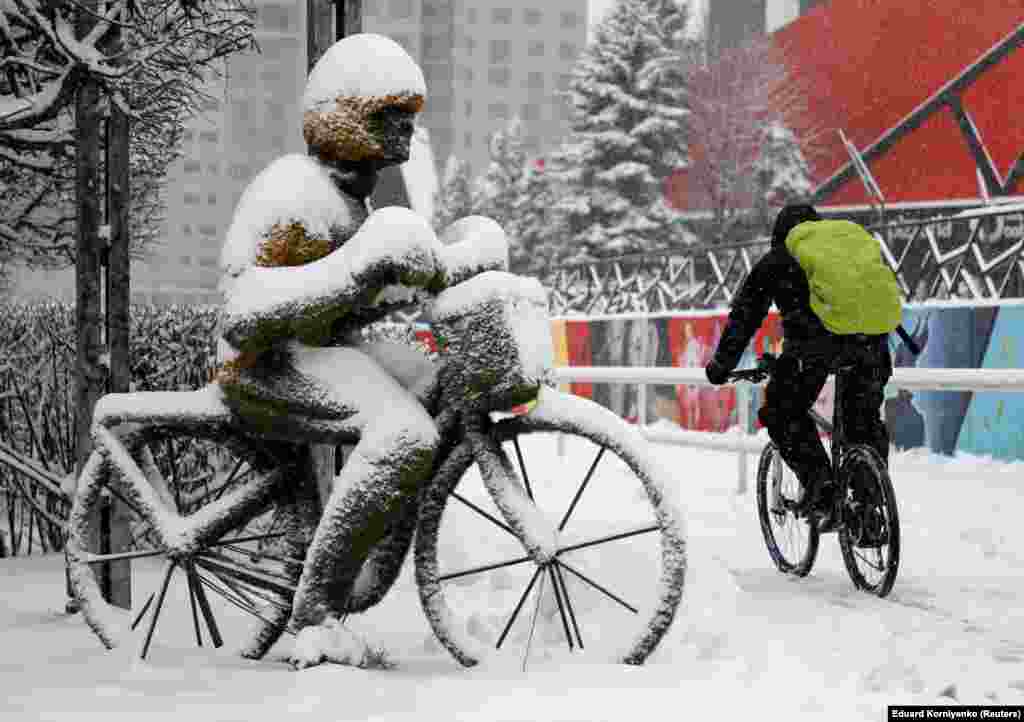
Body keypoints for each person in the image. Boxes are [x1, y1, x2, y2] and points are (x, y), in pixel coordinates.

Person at [215, 33, 506, 667]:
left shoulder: (356, 201)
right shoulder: (291, 189)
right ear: (344, 114)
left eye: (407, 120)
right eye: (387, 117)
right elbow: (242, 314)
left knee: (429, 381)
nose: (401, 133)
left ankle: (364, 552)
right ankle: (316, 615)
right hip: (268, 366)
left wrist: (456, 261)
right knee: (404, 436)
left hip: (327, 352)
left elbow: (366, 284)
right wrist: (358, 269)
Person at [704, 204, 894, 527]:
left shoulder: (780, 258)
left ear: (781, 236)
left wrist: (720, 366)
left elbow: (745, 317)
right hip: (872, 345)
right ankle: (868, 508)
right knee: (862, 421)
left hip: (816, 350)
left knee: (781, 411)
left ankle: (822, 489)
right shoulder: (846, 250)